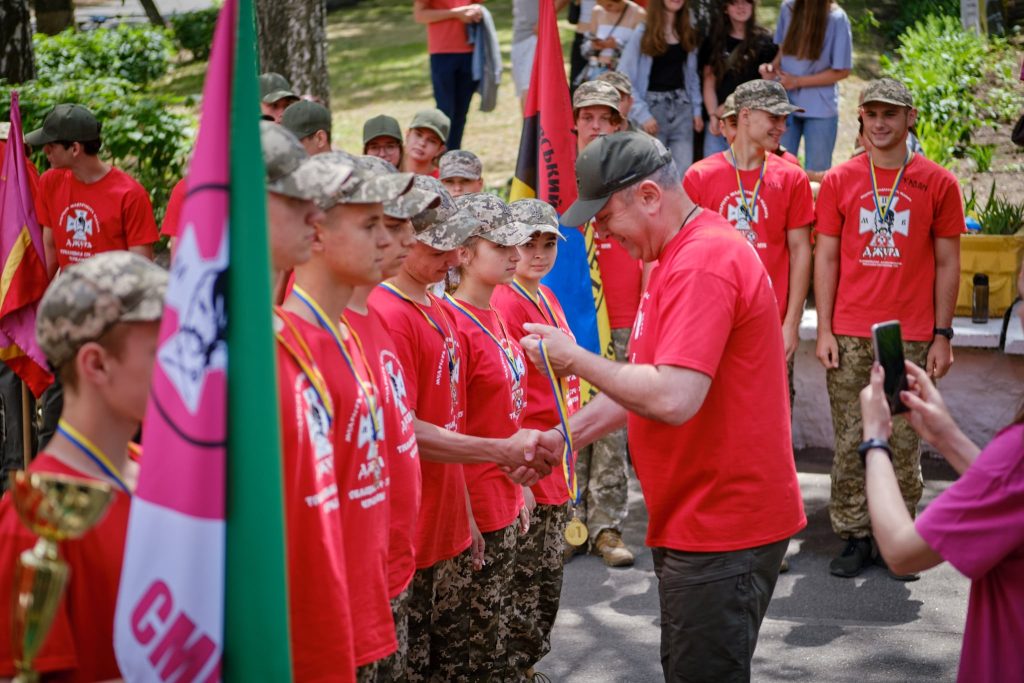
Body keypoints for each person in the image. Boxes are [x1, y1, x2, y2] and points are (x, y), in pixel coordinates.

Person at [522, 131, 806, 681]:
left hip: (722, 526)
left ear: (649, 196)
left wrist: (574, 359)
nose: (602, 234)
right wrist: (563, 438)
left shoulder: (701, 261)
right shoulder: (679, 253)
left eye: (606, 217)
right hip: (699, 521)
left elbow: (673, 397)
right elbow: (641, 385)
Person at [368, 177, 554, 682]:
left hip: (449, 519)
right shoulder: (390, 313)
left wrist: (465, 512)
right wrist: (497, 453)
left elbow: (452, 413)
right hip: (415, 528)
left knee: (464, 661)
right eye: (438, 248)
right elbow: (406, 428)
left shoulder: (433, 307)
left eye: (454, 245)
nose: (451, 258)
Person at [814, 78, 963, 579]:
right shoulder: (840, 180)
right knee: (850, 437)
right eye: (872, 113)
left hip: (909, 335)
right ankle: (855, 535)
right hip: (849, 332)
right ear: (861, 117)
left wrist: (943, 334)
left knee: (903, 438)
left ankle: (896, 538)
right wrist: (825, 329)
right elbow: (827, 257)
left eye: (890, 114)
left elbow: (948, 262)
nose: (880, 123)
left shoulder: (939, 183)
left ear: (910, 118)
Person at [0, 251, 167, 682]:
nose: (179, 367)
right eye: (159, 351)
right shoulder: (33, 520)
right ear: (96, 364)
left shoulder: (160, 476)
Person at [284, 153, 411, 681]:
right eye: (369, 225)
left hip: (363, 604)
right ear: (316, 232)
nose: (389, 240)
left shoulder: (344, 334)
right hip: (317, 629)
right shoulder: (285, 350)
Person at [859, 286, 1024, 682]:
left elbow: (901, 551)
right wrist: (945, 435)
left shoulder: (1015, 457)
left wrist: (875, 440)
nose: (1019, 315)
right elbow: (1006, 494)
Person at [260, 121, 359, 682]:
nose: (315, 217)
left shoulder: (281, 330)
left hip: (315, 624)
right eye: (296, 201)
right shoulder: (211, 350)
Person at [342, 156, 435, 681]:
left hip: (392, 561)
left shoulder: (372, 320)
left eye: (400, 225)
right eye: (379, 223)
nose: (402, 240)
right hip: (351, 589)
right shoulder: (306, 337)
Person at [443, 192, 533, 680]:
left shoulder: (495, 313)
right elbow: (451, 425)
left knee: (499, 641)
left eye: (515, 244)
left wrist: (519, 486)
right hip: (475, 504)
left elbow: (505, 415)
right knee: (475, 655)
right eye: (501, 246)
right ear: (464, 253)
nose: (516, 255)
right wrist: (466, 513)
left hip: (503, 496)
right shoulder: (454, 324)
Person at [492, 198, 579, 680]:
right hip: (531, 462)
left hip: (556, 462)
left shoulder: (546, 296)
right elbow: (507, 394)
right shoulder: (506, 301)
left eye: (549, 243)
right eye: (529, 244)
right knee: (524, 587)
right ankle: (518, 671)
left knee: (546, 584)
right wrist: (517, 477)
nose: (540, 253)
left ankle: (527, 668)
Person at [683, 80, 813, 369]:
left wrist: (791, 323)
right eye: (774, 117)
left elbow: (801, 251)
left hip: (769, 322)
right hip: (710, 321)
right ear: (744, 115)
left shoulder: (792, 177)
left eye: (785, 119)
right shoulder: (699, 176)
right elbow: (683, 255)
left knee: (774, 399)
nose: (782, 127)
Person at [571, 80, 639, 568]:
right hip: (572, 319)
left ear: (618, 125)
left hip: (621, 317)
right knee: (571, 419)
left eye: (606, 119)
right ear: (574, 123)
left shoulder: (633, 182)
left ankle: (607, 526)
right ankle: (569, 521)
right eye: (587, 117)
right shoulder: (556, 180)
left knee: (612, 427)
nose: (596, 126)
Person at [27, 103, 158, 277]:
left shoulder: (131, 195)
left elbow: (142, 270)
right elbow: (50, 247)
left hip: (113, 293)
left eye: (51, 145)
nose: (45, 150)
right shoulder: (50, 182)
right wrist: (41, 292)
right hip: (69, 292)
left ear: (75, 149)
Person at [760, 0, 852, 174]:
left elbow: (842, 71)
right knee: (778, 169)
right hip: (784, 104)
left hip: (820, 108)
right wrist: (772, 67)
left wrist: (797, 81)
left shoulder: (837, 18)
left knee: (816, 173)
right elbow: (784, 48)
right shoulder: (788, 8)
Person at [618, 0, 704, 171]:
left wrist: (696, 110)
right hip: (652, 110)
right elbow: (624, 76)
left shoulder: (687, 31)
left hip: (682, 109)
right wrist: (642, 114)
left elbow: (692, 76)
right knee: (652, 172)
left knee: (682, 170)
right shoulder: (643, 32)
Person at [700, 0, 777, 156]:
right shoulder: (714, 40)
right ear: (726, 8)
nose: (741, 7)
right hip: (720, 120)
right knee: (713, 167)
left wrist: (769, 76)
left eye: (746, 2)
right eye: (735, 2)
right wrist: (713, 115)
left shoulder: (765, 41)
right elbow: (709, 81)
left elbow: (766, 86)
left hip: (751, 122)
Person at [412, 0, 481, 150]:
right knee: (444, 112)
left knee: (461, 113)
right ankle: (438, 155)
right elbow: (420, 15)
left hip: (470, 52)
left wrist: (476, 11)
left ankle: (452, 155)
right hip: (442, 53)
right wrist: (455, 14)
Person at [511, 0, 571, 106]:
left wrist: (544, 20)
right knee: (523, 91)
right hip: (519, 37)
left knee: (530, 91)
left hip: (535, 37)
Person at [577, 0, 646, 86]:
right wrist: (593, 45)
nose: (605, 9)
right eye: (601, 5)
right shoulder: (597, 11)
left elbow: (642, 51)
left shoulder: (639, 14)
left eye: (609, 5)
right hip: (598, 70)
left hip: (623, 73)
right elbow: (585, 50)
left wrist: (617, 45)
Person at [401, 109, 450, 177]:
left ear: (440, 150)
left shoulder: (442, 180)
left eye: (432, 140)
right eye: (418, 135)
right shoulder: (390, 168)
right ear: (407, 135)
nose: (422, 143)